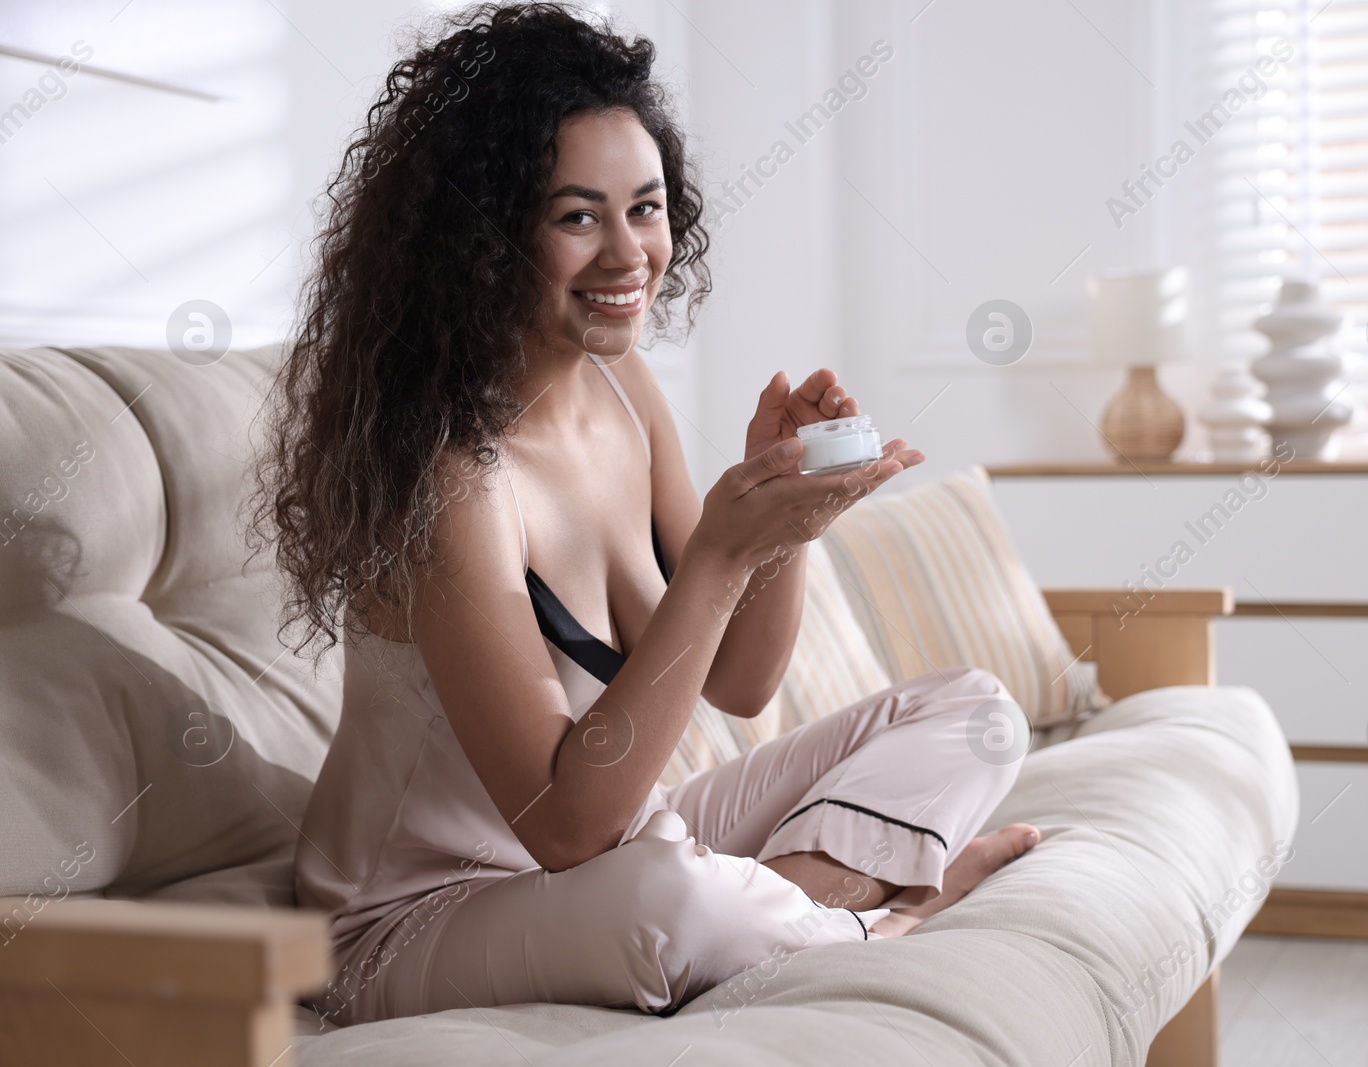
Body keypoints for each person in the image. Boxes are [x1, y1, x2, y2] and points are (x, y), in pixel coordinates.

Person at [253, 2, 1038, 1027]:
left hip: (623, 840)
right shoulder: (450, 478)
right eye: (577, 215)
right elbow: (565, 825)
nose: (630, 253)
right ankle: (883, 913)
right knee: (671, 896)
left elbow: (744, 682)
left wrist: (781, 517)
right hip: (416, 912)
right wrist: (717, 553)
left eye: (648, 207)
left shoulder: (629, 398)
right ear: (481, 238)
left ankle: (797, 908)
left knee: (974, 715)